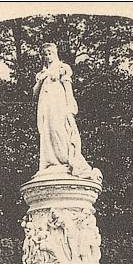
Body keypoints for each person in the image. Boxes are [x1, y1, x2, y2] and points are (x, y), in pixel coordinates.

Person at [33, 43, 102, 181]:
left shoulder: (63, 68)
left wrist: (70, 105)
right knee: (47, 132)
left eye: (50, 52)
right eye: (45, 54)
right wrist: (41, 80)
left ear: (55, 53)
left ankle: (64, 160)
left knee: (59, 129)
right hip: (45, 105)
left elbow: (67, 86)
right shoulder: (41, 73)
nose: (48, 56)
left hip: (58, 103)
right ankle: (51, 161)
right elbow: (35, 94)